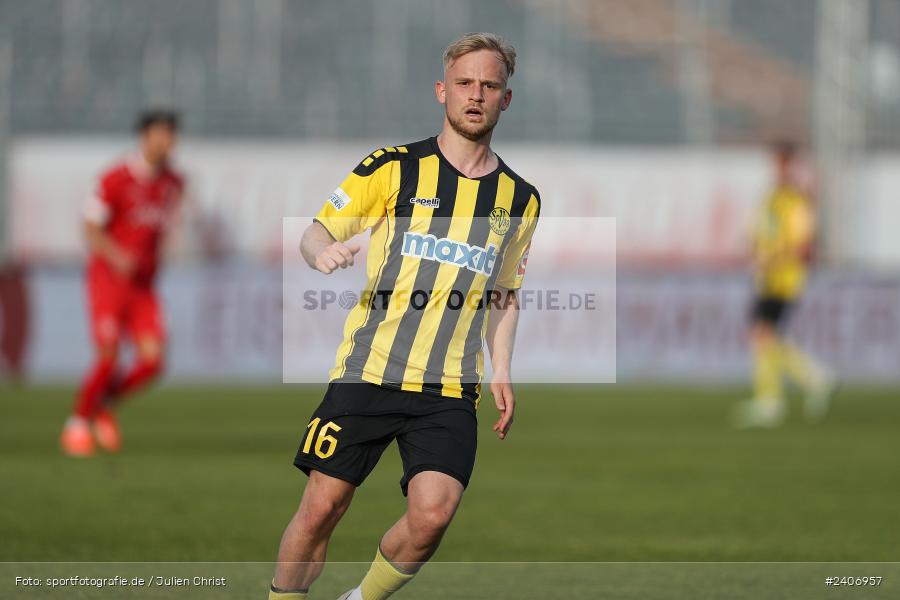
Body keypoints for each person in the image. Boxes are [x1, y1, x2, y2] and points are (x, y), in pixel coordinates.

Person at [269, 33, 540, 600]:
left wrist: (502, 368)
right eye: (464, 83)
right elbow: (317, 230)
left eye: (489, 85)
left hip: (448, 389)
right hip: (368, 372)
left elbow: (504, 291)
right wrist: (321, 251)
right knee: (322, 509)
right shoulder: (393, 168)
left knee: (433, 517)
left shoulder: (519, 198)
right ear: (442, 91)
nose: (476, 95)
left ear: (505, 100)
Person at [60, 109, 185, 456]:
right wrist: (117, 257)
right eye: (161, 134)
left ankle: (101, 405)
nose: (168, 142)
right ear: (144, 137)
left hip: (144, 286)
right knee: (108, 358)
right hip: (108, 281)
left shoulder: (173, 183)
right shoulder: (115, 179)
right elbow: (90, 228)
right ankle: (77, 423)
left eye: (172, 135)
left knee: (153, 362)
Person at [734, 141, 835, 428]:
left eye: (782, 162)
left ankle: (788, 391)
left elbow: (805, 246)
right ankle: (796, 386)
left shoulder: (796, 201)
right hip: (766, 278)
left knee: (761, 335)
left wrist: (775, 259)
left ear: (792, 165)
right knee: (763, 337)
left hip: (784, 280)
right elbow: (758, 234)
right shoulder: (770, 198)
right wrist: (754, 250)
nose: (777, 168)